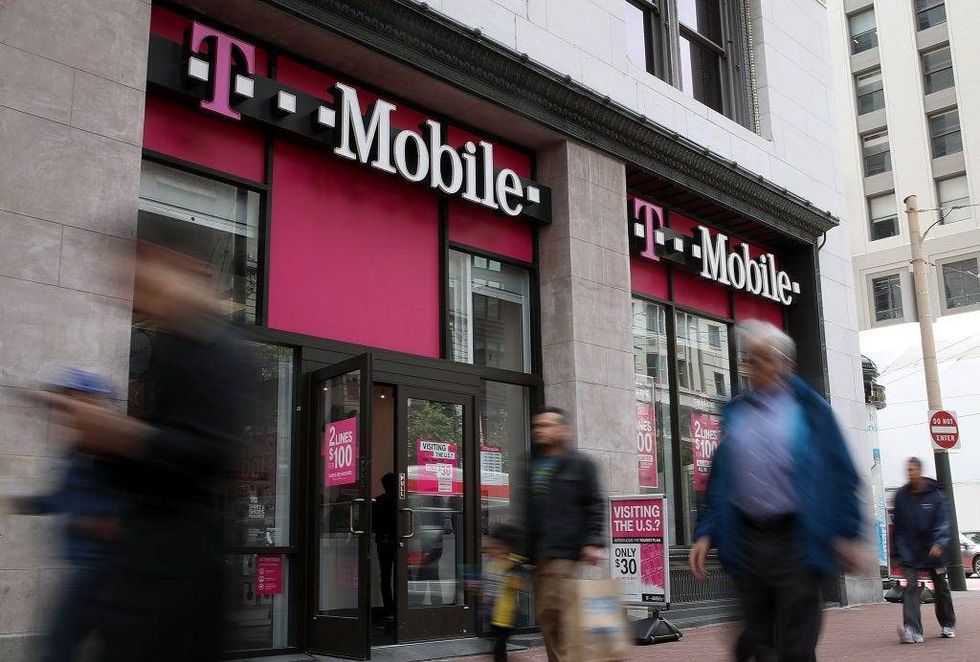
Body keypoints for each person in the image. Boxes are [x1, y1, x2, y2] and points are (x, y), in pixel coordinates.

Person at [42, 242, 248, 661]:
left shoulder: (220, 349)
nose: (140, 299)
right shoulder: (172, 347)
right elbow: (153, 467)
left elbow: (212, 453)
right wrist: (103, 446)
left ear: (186, 269)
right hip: (144, 565)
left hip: (180, 572)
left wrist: (122, 435)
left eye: (145, 283)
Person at [688, 320, 865, 662]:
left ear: (785, 364)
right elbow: (721, 480)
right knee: (757, 639)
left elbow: (841, 473)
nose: (753, 366)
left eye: (762, 358)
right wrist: (706, 532)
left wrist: (848, 533)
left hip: (797, 540)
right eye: (749, 359)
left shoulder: (812, 412)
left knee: (796, 643)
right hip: (747, 540)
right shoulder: (736, 413)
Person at [7, 368, 128, 662]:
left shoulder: (112, 449)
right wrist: (17, 502)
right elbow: (63, 498)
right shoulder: (80, 452)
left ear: (91, 401)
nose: (64, 414)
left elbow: (129, 508)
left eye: (71, 400)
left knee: (60, 646)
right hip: (88, 566)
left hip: (102, 567)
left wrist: (98, 522)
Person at [525, 406, 605, 662]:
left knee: (556, 615)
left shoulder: (579, 464)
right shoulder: (532, 464)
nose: (540, 430)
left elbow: (594, 504)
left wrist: (592, 541)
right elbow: (527, 511)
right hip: (538, 555)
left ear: (563, 430)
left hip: (563, 553)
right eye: (537, 426)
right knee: (549, 617)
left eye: (546, 425)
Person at [891, 457, 956, 643]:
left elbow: (943, 521)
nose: (910, 473)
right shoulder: (901, 496)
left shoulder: (934, 494)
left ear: (920, 471)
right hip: (910, 551)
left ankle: (947, 623)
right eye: (908, 470)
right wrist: (895, 552)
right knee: (911, 587)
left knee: (940, 586)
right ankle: (913, 630)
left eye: (913, 470)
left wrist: (939, 542)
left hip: (933, 550)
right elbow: (897, 527)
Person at [480, 523, 524, 662]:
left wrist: (511, 570)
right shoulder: (491, 565)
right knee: (497, 646)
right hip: (492, 614)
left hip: (507, 616)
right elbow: (487, 586)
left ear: (505, 548)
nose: (490, 549)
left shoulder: (513, 564)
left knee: (498, 647)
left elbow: (517, 585)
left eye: (495, 546)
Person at [373, 472, 398, 627]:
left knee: (385, 577)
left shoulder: (378, 501)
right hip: (398, 542)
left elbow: (373, 524)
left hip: (383, 542)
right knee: (400, 576)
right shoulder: (400, 501)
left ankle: (389, 609)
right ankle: (399, 607)